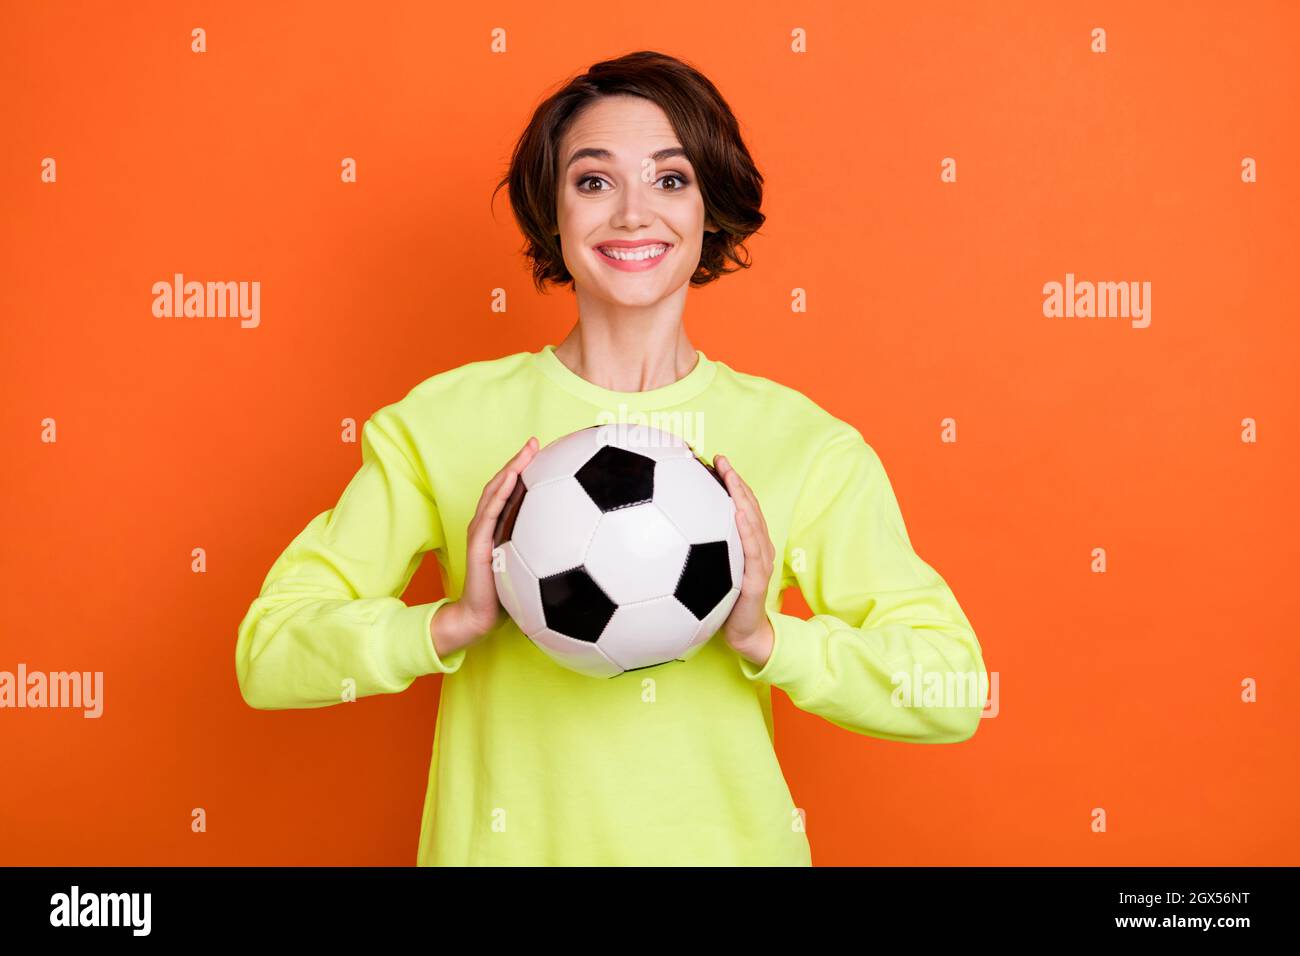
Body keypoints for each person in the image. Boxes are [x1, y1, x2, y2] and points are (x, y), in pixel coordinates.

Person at [235, 49, 987, 866]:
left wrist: (768, 640)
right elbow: (269, 654)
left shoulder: (806, 444)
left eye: (670, 181)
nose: (634, 214)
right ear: (552, 211)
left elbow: (953, 691)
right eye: (594, 181)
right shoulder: (443, 424)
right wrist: (448, 627)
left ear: (712, 209)